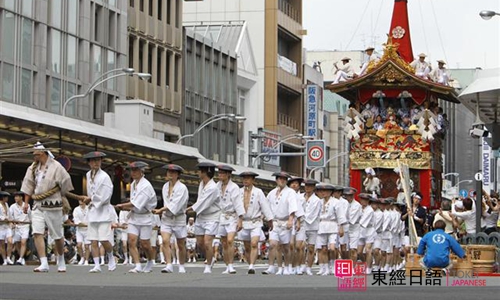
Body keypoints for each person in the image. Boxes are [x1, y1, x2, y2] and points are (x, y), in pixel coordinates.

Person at [21, 142, 74, 272]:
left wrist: (59, 194)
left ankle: (61, 258)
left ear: (42, 153)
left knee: (57, 235)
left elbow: (66, 184)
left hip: (53, 204)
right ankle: (44, 262)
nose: (34, 157)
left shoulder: (57, 167)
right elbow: (28, 186)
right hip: (37, 204)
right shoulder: (32, 168)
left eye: (35, 154)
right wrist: (26, 203)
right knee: (37, 233)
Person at [115, 161, 157, 273]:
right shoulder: (133, 184)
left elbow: (136, 203)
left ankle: (149, 261)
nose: (133, 172)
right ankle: (137, 265)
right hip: (134, 217)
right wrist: (125, 207)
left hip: (145, 217)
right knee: (131, 241)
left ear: (141, 171)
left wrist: (122, 205)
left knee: (145, 244)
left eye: (136, 170)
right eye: (132, 170)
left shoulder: (146, 185)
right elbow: (133, 203)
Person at [80, 151, 116, 273]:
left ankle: (111, 256)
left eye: (98, 160)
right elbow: (91, 192)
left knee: (104, 240)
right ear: (89, 163)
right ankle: (96, 265)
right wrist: (88, 199)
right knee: (93, 240)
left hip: (103, 212)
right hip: (92, 212)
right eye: (94, 161)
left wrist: (91, 199)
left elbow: (105, 195)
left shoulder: (105, 177)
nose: (96, 163)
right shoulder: (88, 175)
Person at [153, 164, 189, 274]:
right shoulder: (164, 186)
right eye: (168, 172)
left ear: (178, 175)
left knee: (180, 244)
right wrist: (161, 211)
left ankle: (181, 264)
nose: (170, 174)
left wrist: (160, 210)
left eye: (173, 172)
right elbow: (167, 203)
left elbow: (175, 204)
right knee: (165, 241)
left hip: (179, 218)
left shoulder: (182, 188)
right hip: (166, 218)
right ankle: (168, 264)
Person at [186, 162, 221, 274]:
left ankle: (208, 264)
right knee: (200, 243)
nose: (197, 173)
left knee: (207, 242)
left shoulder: (213, 188)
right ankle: (211, 257)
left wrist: (187, 210)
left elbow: (202, 203)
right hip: (201, 216)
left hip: (212, 217)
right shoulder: (201, 184)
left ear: (205, 172)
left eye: (199, 171)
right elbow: (199, 201)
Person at [236, 171, 273, 274]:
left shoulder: (258, 192)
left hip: (255, 222)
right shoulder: (238, 192)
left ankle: (252, 265)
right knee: (247, 246)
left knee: (254, 243)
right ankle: (249, 264)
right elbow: (235, 207)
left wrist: (270, 220)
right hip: (243, 222)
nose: (246, 180)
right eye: (244, 178)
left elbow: (265, 206)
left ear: (253, 180)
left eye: (248, 178)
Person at [262, 172, 298, 275]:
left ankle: (286, 267)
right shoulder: (272, 192)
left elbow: (293, 206)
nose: (282, 181)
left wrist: (291, 220)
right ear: (276, 180)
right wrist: (266, 218)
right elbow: (266, 205)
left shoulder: (290, 192)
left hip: (285, 221)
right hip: (275, 222)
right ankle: (272, 267)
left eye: (284, 179)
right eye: (280, 179)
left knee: (285, 247)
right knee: (273, 244)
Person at [216, 164, 244, 275]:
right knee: (224, 242)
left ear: (228, 174)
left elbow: (238, 204)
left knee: (230, 240)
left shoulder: (234, 187)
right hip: (222, 216)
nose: (220, 175)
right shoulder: (217, 186)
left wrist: (240, 219)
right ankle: (227, 265)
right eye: (219, 173)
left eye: (222, 173)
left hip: (232, 216)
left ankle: (232, 265)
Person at [300, 179, 321, 276]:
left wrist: (302, 216)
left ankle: (309, 267)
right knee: (301, 246)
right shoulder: (300, 197)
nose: (307, 187)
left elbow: (312, 214)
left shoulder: (316, 200)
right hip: (301, 225)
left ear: (313, 187)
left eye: (310, 186)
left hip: (312, 225)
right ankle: (302, 265)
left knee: (311, 247)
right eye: (306, 185)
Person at [9, 191, 31, 265]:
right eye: (15, 197)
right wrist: (12, 223)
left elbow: (30, 216)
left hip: (25, 225)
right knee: (18, 243)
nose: (15, 198)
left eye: (17, 196)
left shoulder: (27, 205)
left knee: (23, 242)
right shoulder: (12, 206)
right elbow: (10, 217)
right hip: (17, 226)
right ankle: (22, 258)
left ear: (21, 197)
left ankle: (21, 258)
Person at [357, 193, 376, 274]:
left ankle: (368, 267)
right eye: (362, 199)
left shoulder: (370, 210)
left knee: (368, 250)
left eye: (366, 200)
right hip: (360, 231)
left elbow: (362, 222)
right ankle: (366, 263)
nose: (363, 201)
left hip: (369, 230)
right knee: (359, 252)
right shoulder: (358, 208)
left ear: (368, 201)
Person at [344, 188, 362, 262]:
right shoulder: (343, 204)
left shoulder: (357, 205)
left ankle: (353, 266)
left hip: (354, 228)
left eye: (351, 195)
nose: (349, 197)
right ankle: (348, 264)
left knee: (353, 249)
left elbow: (352, 219)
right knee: (345, 249)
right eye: (348, 195)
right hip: (346, 228)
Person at [73, 198, 90, 266]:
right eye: (79, 200)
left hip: (88, 230)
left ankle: (86, 260)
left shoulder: (89, 208)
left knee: (87, 246)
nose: (81, 202)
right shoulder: (76, 209)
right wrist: (83, 224)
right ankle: (82, 258)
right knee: (79, 245)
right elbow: (76, 220)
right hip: (79, 230)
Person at [0, 191, 13, 265]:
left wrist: (10, 220)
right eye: (6, 197)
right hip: (1, 226)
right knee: (1, 244)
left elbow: (9, 215)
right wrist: (3, 218)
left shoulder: (7, 205)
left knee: (10, 241)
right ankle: (4, 259)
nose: (7, 198)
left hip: (7, 226)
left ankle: (8, 257)